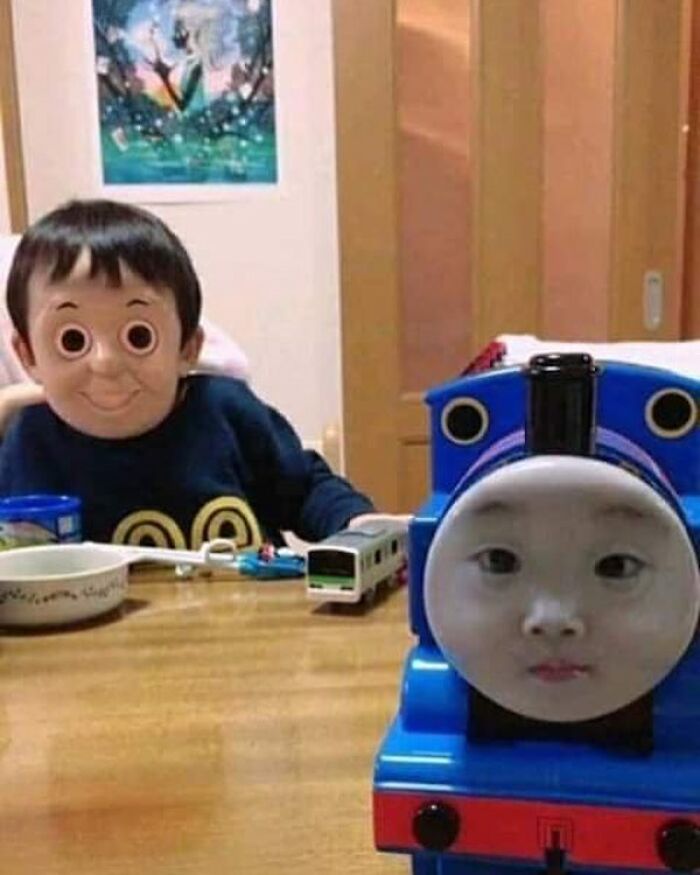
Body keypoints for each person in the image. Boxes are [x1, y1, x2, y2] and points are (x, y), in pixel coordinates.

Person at [0, 199, 379, 550]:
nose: (105, 363)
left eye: (138, 337)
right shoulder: (28, 442)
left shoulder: (227, 411)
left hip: (251, 604)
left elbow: (306, 489)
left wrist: (360, 524)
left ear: (188, 348)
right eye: (72, 340)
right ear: (28, 355)